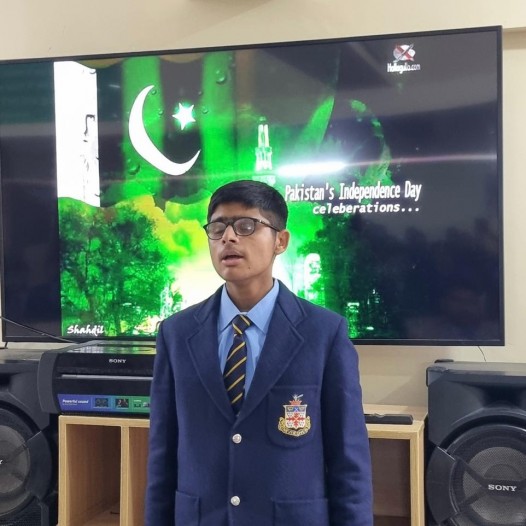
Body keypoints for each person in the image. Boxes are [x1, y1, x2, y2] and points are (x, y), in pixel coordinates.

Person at [145, 179, 373, 526]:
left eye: (246, 226)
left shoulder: (324, 333)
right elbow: (162, 453)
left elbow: (348, 459)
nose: (228, 237)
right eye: (217, 228)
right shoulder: (177, 333)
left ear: (280, 241)